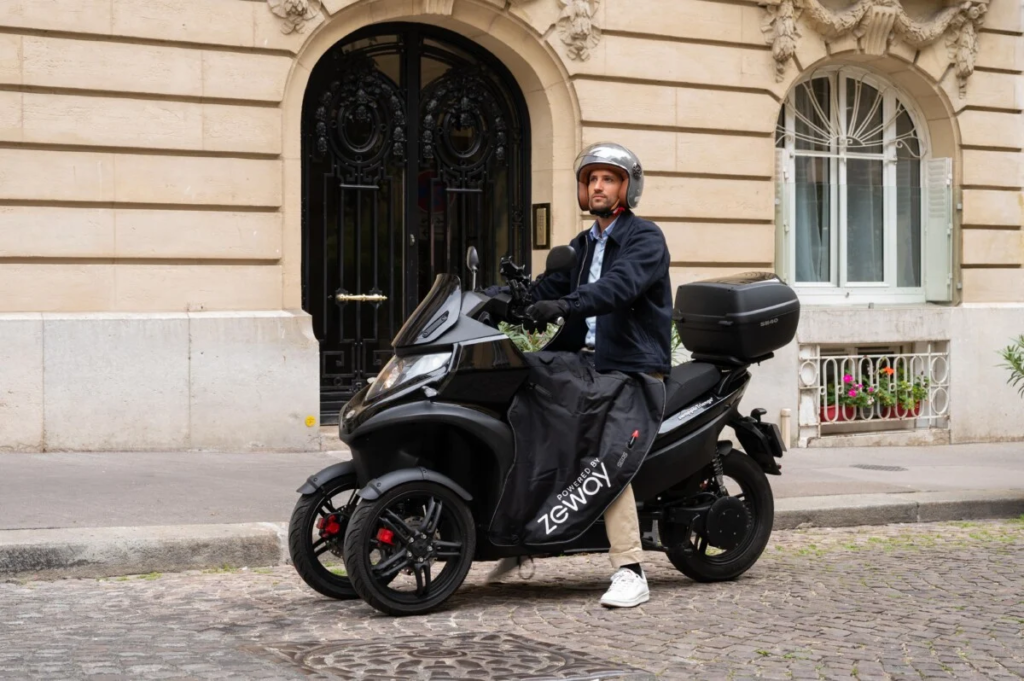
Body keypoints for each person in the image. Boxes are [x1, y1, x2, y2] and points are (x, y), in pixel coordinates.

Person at [486, 142, 672, 608]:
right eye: (592, 180)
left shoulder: (645, 239)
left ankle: (630, 569)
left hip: (629, 367)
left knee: (603, 450)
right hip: (583, 361)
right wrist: (493, 300)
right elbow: (544, 289)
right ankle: (527, 528)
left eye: (608, 179)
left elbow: (617, 287)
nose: (598, 187)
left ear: (627, 187)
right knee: (513, 395)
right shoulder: (581, 246)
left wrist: (564, 305)